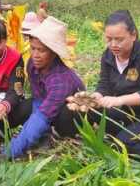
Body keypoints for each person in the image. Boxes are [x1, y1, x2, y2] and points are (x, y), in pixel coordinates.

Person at [67, 10, 140, 163]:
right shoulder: (108, 56)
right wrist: (97, 96)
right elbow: (104, 84)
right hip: (133, 116)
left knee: (123, 144)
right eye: (109, 39)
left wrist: (120, 100)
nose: (113, 45)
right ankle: (130, 137)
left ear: (133, 35)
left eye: (119, 39)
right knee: (92, 110)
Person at [8, 17, 85, 158]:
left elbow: (43, 115)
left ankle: (55, 135)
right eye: (33, 48)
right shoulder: (32, 64)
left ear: (53, 52)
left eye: (42, 50)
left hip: (69, 116)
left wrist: (12, 151)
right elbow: (39, 101)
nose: (35, 55)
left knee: (63, 115)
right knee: (24, 108)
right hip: (47, 104)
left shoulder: (60, 80)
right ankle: (43, 135)